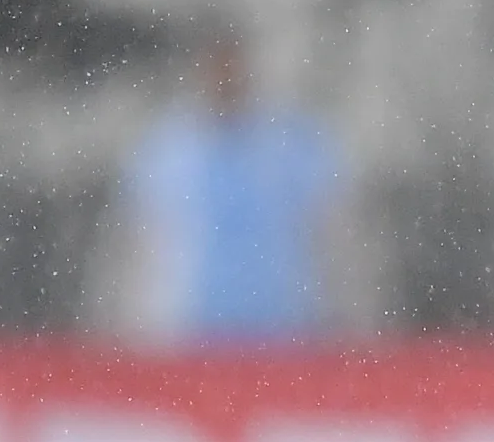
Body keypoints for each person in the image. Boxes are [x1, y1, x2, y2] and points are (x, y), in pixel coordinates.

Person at [104, 31, 348, 342]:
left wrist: (344, 319)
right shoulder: (166, 148)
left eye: (232, 69)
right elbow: (136, 246)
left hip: (283, 327)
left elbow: (333, 236)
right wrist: (127, 324)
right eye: (217, 70)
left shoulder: (294, 142)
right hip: (185, 327)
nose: (225, 80)